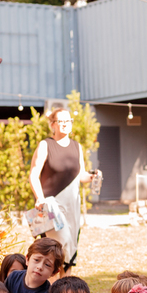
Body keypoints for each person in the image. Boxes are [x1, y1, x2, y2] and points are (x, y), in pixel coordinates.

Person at [28, 108, 100, 272]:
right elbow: (33, 174)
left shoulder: (77, 146)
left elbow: (80, 175)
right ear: (53, 124)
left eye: (68, 121)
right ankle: (53, 291)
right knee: (59, 246)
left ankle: (65, 291)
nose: (65, 124)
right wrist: (39, 198)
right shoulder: (45, 145)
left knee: (71, 248)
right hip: (50, 205)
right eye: (61, 121)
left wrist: (92, 176)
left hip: (72, 206)